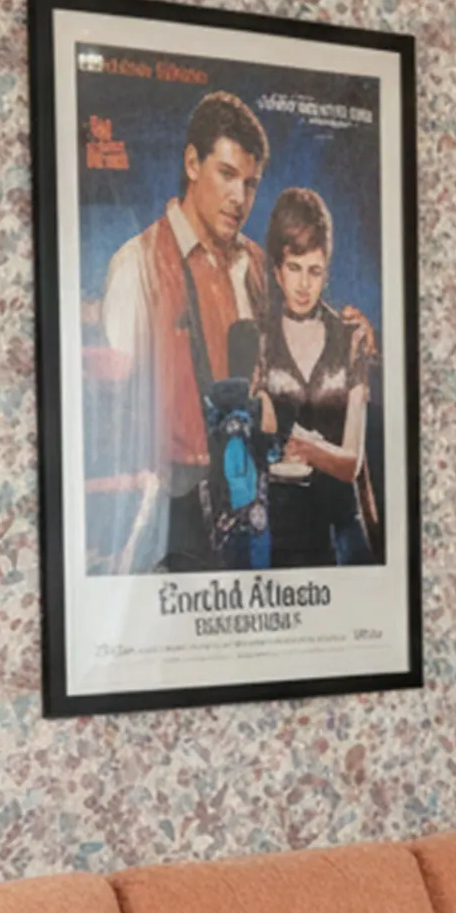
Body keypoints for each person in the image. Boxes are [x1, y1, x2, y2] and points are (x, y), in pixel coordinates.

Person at [94, 89, 276, 574]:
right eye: (228, 174)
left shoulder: (257, 264)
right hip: (175, 510)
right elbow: (113, 413)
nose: (240, 198)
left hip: (250, 499)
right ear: (192, 163)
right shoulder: (137, 266)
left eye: (251, 184)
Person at [253, 186, 375, 568]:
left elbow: (352, 462)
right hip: (283, 533)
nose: (304, 285)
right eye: (294, 268)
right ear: (277, 269)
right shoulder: (261, 340)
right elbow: (256, 442)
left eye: (314, 271)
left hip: (344, 533)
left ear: (327, 272)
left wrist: (299, 444)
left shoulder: (351, 338)